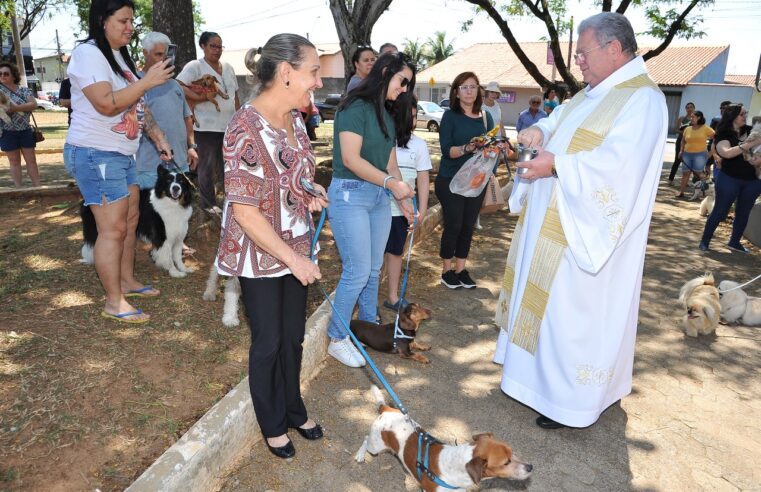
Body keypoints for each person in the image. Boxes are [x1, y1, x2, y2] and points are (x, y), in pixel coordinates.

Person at [494, 12, 668, 429]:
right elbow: (561, 124)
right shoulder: (592, 93)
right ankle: (536, 383)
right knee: (550, 312)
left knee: (572, 317)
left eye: (584, 53)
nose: (579, 62)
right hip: (554, 223)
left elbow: (617, 168)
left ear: (613, 48)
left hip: (584, 235)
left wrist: (559, 166)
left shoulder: (641, 99)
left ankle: (569, 400)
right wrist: (539, 133)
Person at [215, 34, 328, 459]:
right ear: (286, 73)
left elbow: (292, 174)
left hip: (296, 243)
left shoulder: (296, 119)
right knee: (268, 342)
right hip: (260, 253)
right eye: (313, 71)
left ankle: (294, 408)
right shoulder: (244, 127)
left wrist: (309, 189)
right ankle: (272, 422)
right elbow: (244, 212)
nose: (318, 81)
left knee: (293, 338)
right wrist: (295, 259)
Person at [64, 0, 175, 323]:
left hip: (122, 153)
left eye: (131, 21)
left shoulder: (118, 56)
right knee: (111, 229)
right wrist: (147, 81)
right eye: (123, 20)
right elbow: (107, 104)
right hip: (94, 153)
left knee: (128, 220)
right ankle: (114, 301)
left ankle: (126, 281)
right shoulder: (88, 54)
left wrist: (158, 137)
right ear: (102, 20)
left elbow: (138, 106)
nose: (130, 27)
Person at [326, 52, 416, 367]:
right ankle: (337, 338)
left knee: (373, 269)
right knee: (357, 270)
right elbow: (351, 159)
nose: (404, 89)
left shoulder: (386, 114)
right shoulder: (354, 108)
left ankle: (366, 329)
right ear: (385, 72)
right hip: (350, 194)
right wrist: (393, 184)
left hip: (379, 198)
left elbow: (389, 161)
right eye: (402, 81)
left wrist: (404, 200)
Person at [436, 71, 494, 289]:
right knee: (454, 225)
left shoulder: (485, 116)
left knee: (468, 226)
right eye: (464, 87)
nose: (469, 91)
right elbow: (446, 151)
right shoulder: (450, 116)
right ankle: (446, 271)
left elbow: (489, 147)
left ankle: (460, 270)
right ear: (456, 92)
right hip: (451, 180)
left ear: (479, 89)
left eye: (473, 86)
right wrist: (468, 147)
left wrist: (492, 150)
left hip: (475, 182)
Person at [177, 31, 240, 212]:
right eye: (213, 46)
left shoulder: (228, 67)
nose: (217, 50)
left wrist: (239, 118)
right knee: (206, 166)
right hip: (205, 126)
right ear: (203, 46)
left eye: (220, 46)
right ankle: (208, 204)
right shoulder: (195, 66)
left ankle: (232, 204)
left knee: (228, 166)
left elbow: (235, 94)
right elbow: (179, 85)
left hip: (229, 126)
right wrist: (202, 97)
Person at [382, 94, 431, 311]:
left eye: (414, 116)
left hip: (403, 212)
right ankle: (368, 300)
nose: (411, 121)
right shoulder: (383, 140)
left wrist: (421, 210)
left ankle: (393, 297)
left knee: (395, 253)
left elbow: (423, 178)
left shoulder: (419, 145)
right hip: (380, 207)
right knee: (375, 257)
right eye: (407, 116)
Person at [136, 32, 198, 190]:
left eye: (166, 54)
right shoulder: (135, 83)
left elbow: (186, 118)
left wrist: (191, 147)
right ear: (145, 53)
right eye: (158, 54)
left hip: (180, 166)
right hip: (149, 168)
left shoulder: (175, 85)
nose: (164, 59)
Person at [699, 104, 761, 253]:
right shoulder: (723, 133)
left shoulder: (751, 130)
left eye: (746, 113)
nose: (746, 116)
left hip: (753, 180)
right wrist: (750, 144)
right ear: (732, 116)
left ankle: (734, 242)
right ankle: (705, 241)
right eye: (742, 114)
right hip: (729, 178)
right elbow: (726, 153)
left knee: (744, 212)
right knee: (720, 211)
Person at [0, 61, 41, 187]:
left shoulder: (23, 90)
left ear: (13, 75)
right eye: (0, 74)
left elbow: (33, 104)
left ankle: (37, 187)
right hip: (7, 132)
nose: (2, 76)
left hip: (25, 130)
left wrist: (14, 109)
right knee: (14, 161)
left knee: (31, 161)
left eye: (6, 74)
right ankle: (18, 189)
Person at [675, 110, 713, 198]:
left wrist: (711, 152)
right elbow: (683, 141)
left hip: (700, 155)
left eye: (693, 117)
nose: (691, 119)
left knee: (698, 174)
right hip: (687, 154)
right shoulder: (687, 129)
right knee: (685, 174)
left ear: (699, 118)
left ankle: (702, 192)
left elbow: (716, 138)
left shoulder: (706, 128)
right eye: (691, 117)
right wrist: (681, 151)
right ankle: (681, 192)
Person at [667, 101, 695, 184]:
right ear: (686, 109)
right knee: (677, 160)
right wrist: (685, 133)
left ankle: (685, 182)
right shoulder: (682, 118)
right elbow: (676, 129)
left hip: (691, 142)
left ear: (694, 108)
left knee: (688, 162)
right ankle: (670, 179)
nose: (689, 109)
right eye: (688, 107)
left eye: (691, 107)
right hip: (681, 140)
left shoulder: (695, 119)